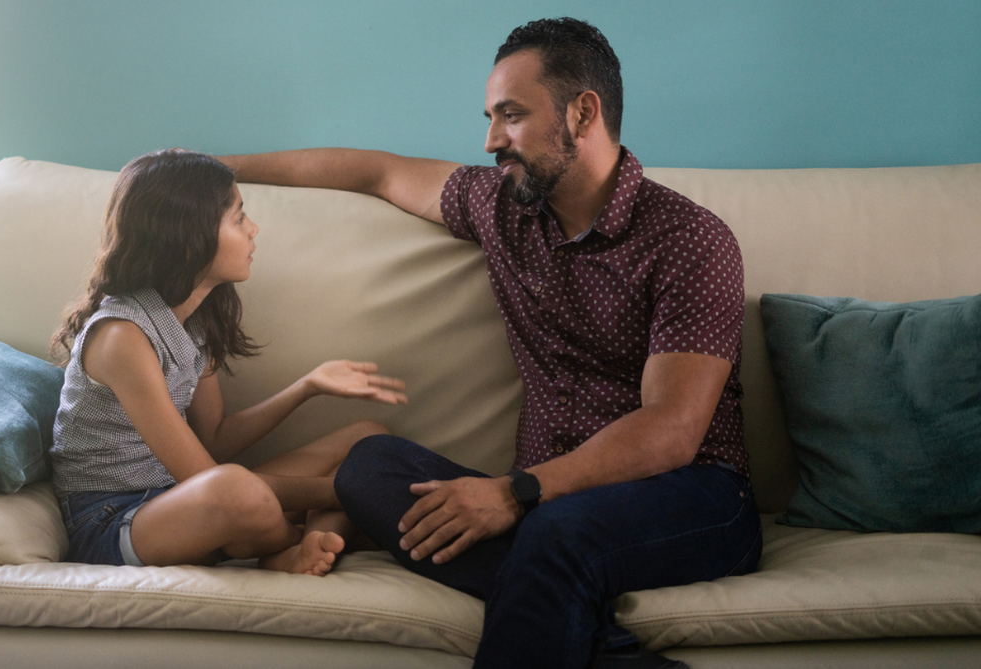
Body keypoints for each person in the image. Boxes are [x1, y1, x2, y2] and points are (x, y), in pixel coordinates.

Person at [218, 17, 762, 669]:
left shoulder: (689, 240)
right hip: (544, 501)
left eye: (510, 116)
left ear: (582, 113)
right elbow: (377, 173)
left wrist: (514, 493)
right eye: (489, 117)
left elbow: (672, 429)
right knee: (368, 465)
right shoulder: (500, 206)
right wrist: (210, 168)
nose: (489, 140)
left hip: (691, 497)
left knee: (559, 532)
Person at [48, 149, 406, 577]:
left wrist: (307, 385)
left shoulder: (194, 320)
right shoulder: (122, 337)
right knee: (236, 490)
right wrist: (343, 492)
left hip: (177, 496)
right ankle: (292, 544)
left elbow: (215, 438)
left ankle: (305, 540)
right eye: (238, 218)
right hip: (114, 521)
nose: (253, 230)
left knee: (368, 440)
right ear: (188, 239)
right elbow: (205, 477)